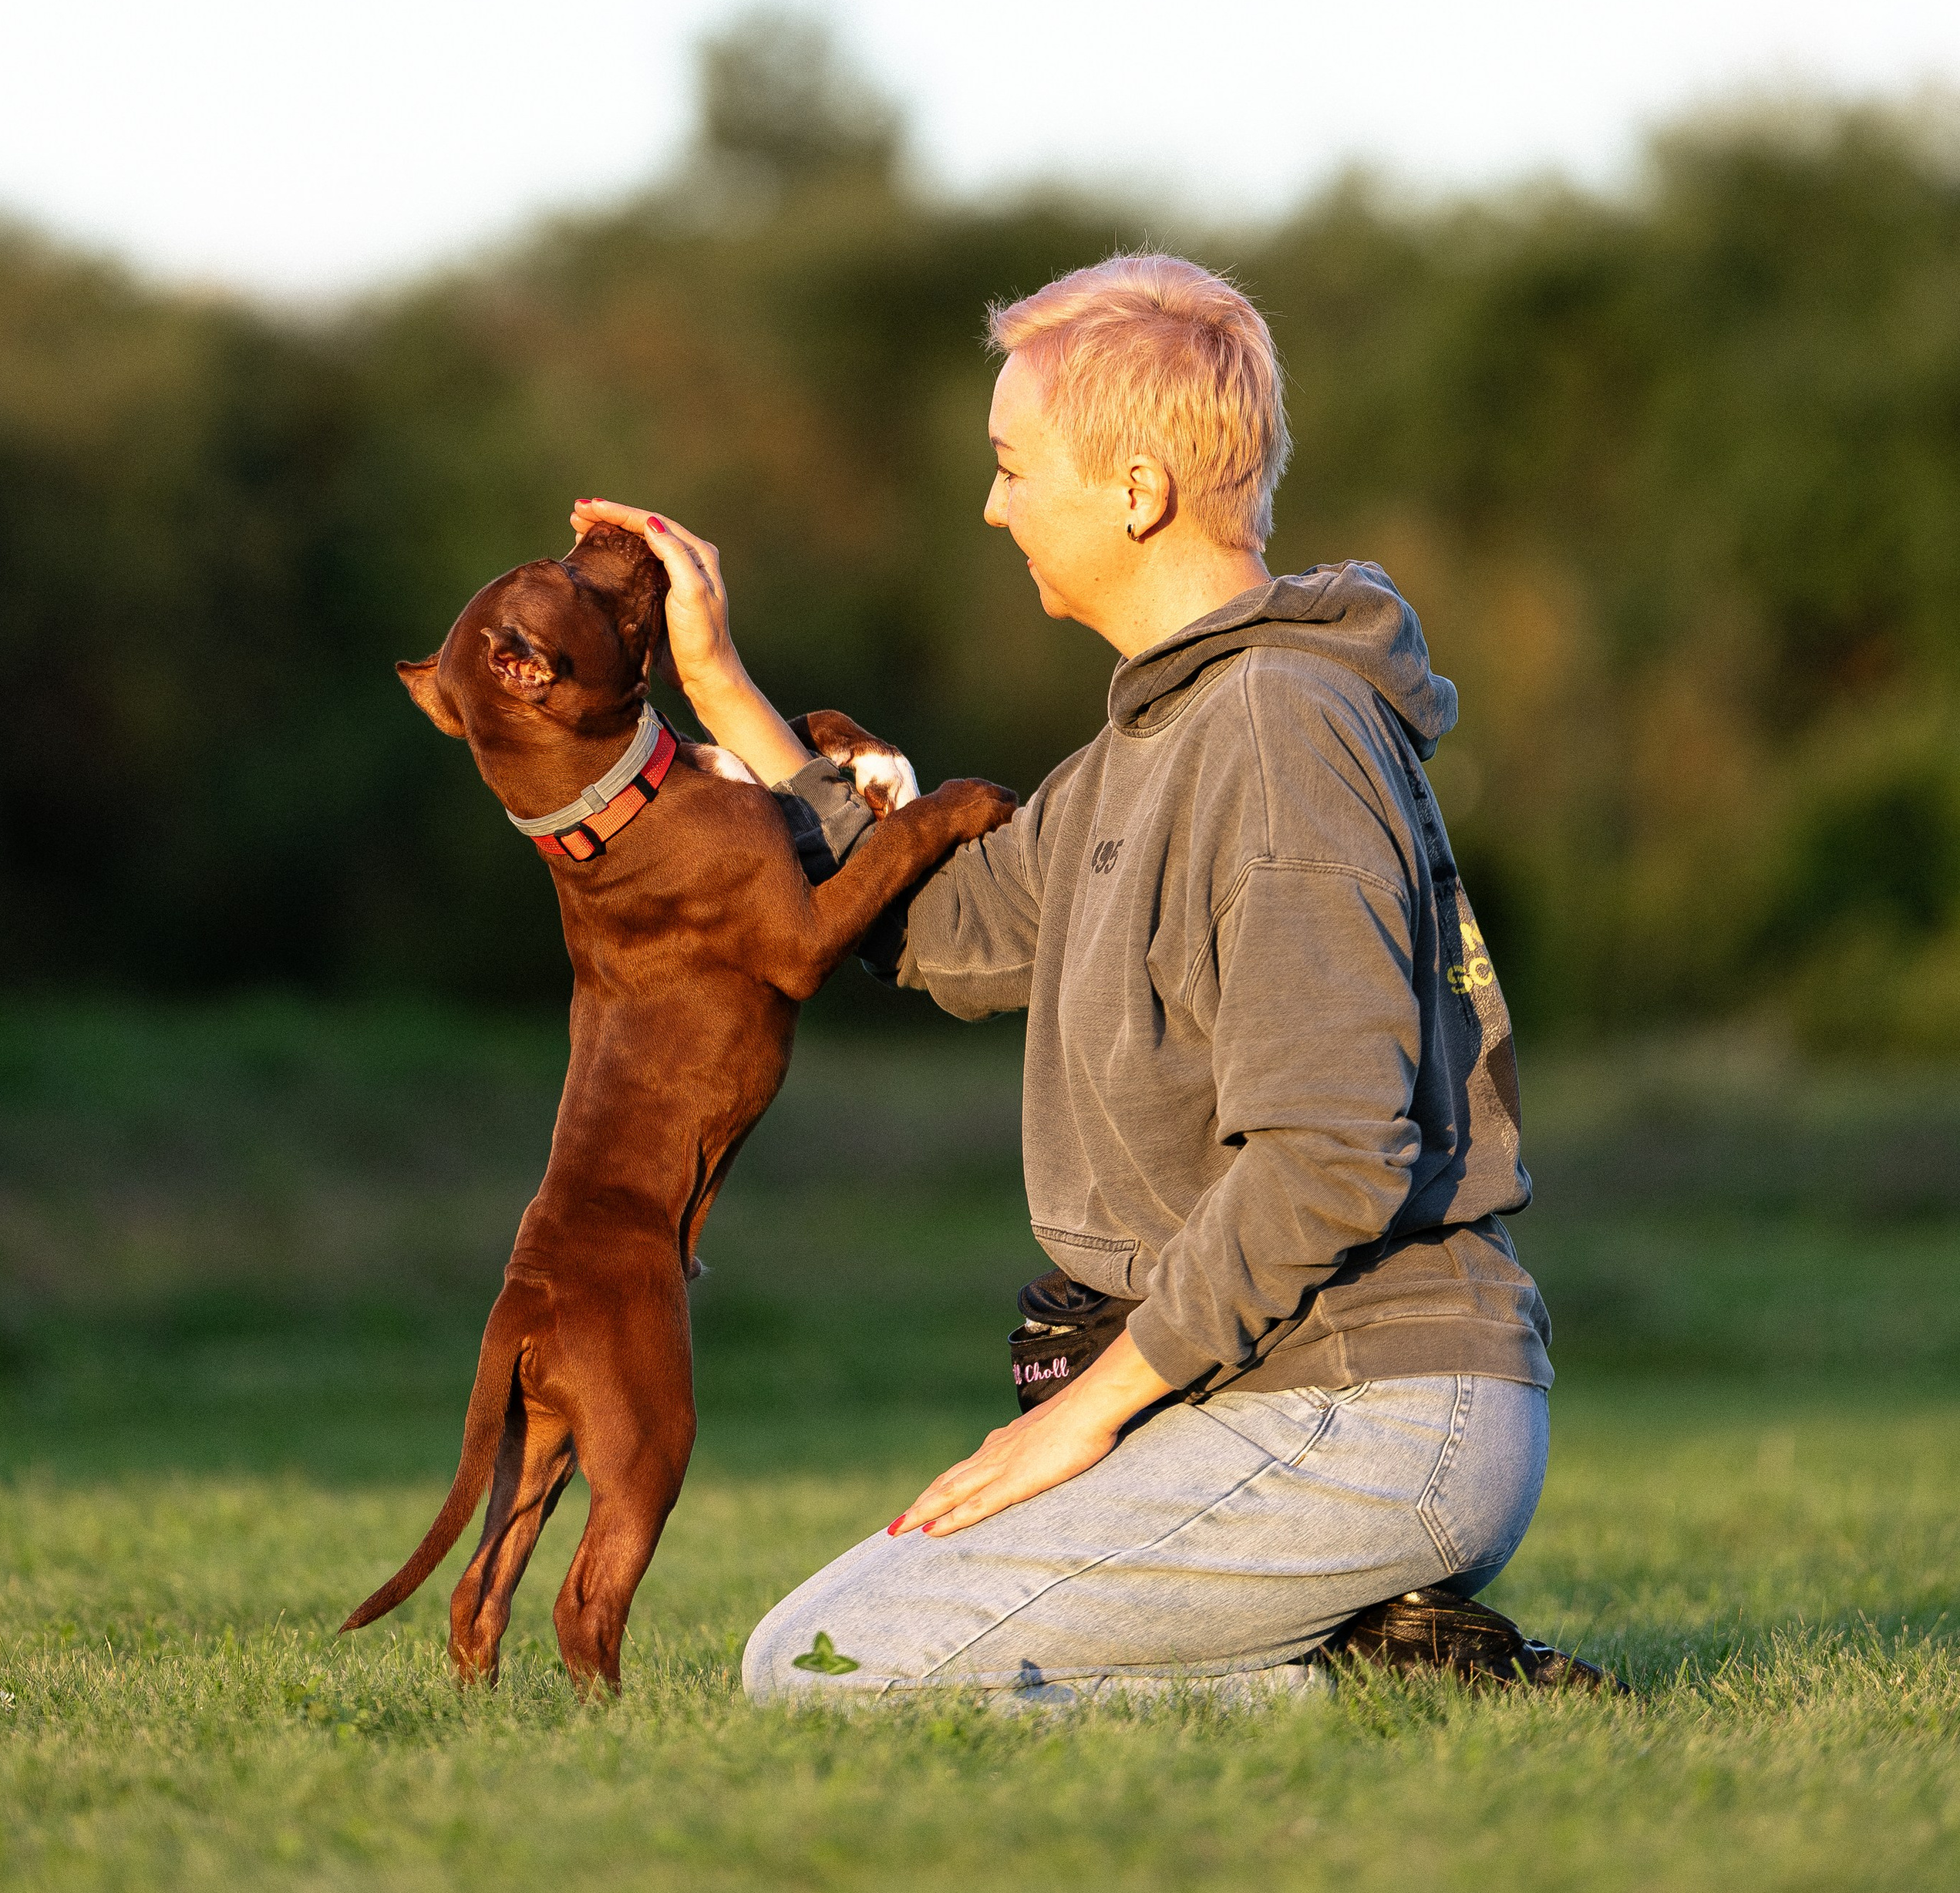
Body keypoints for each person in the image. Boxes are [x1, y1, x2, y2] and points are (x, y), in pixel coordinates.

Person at [572, 251, 1551, 1706]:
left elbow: (1334, 1157)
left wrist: (1080, 1419)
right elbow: (948, 927)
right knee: (816, 1642)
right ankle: (1371, 1656)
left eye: (1013, 465)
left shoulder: (1283, 735)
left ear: (1138, 486)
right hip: (1260, 1395)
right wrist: (720, 689)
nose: (991, 505)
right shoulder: (1152, 744)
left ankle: (1377, 1687)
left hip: (1370, 1407)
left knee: (830, 1669)